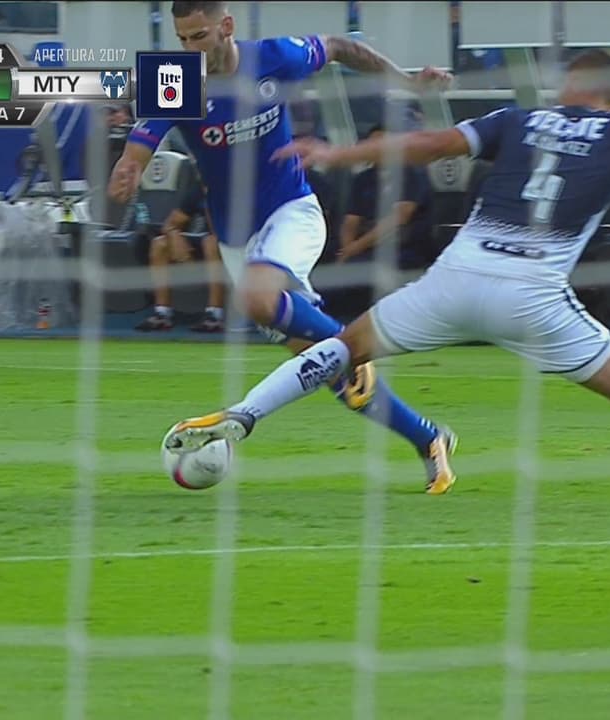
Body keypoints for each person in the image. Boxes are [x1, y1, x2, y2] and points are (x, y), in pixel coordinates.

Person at [167, 12, 610, 509]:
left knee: (342, 348)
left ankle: (244, 415)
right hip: (533, 296)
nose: (188, 47)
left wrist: (340, 153)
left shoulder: (518, 119)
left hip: (451, 282)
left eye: (197, 34)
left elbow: (430, 144)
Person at [109, 0, 459, 493]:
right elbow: (140, 146)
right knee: (329, 367)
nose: (190, 48)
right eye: (182, 38)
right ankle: (428, 438)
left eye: (200, 36)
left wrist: (405, 79)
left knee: (259, 301)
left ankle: (350, 342)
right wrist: (129, 168)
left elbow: (338, 47)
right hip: (237, 241)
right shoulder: (175, 78)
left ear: (226, 26)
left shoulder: (274, 56)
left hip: (291, 212)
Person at [136, 179, 228, 332]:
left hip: (239, 244)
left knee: (211, 242)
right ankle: (162, 313)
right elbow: (170, 224)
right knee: (160, 244)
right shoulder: (198, 190)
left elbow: (221, 229)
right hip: (207, 244)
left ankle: (215, 315)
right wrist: (175, 237)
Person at [339, 124, 435, 269]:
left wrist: (356, 247)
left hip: (404, 247)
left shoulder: (413, 174)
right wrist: (347, 250)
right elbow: (351, 221)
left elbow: (399, 218)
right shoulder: (363, 179)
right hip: (368, 248)